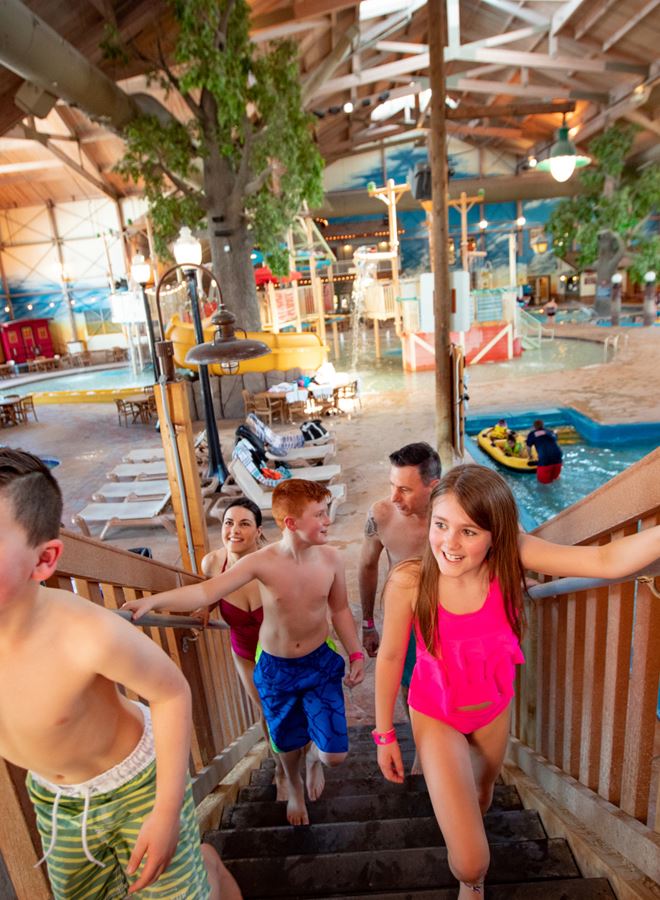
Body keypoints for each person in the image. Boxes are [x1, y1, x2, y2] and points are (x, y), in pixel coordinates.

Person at [374, 463, 660, 898]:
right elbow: (392, 655)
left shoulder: (511, 558)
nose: (449, 544)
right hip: (436, 713)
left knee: (483, 796)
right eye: (441, 525)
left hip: (493, 708)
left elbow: (605, 560)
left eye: (469, 532)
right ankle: (472, 882)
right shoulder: (410, 581)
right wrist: (384, 733)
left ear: (495, 534)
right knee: (472, 859)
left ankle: (473, 867)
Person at [0, 448, 236, 899]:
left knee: (178, 892)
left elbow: (170, 693)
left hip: (138, 785)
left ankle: (209, 867)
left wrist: (168, 810)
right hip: (55, 800)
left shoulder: (89, 635)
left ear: (44, 560)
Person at [124, 479, 365, 827]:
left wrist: (355, 653)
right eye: (320, 514)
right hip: (276, 669)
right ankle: (294, 786)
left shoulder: (331, 559)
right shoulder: (262, 563)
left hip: (318, 662)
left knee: (334, 755)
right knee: (284, 741)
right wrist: (153, 601)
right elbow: (206, 591)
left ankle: (315, 759)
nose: (328, 520)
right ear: (291, 524)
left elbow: (340, 609)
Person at [201, 499, 286, 799]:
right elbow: (209, 596)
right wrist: (202, 611)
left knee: (290, 708)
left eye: (244, 523)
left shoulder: (275, 561)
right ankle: (282, 768)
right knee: (265, 711)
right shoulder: (212, 563)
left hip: (281, 650)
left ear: (258, 531)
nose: (234, 531)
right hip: (245, 651)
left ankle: (303, 758)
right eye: (228, 522)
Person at [359, 442, 441, 700]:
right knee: (410, 687)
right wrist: (368, 623)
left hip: (448, 614)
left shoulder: (456, 511)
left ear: (434, 486)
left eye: (404, 489)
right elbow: (367, 565)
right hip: (404, 617)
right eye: (392, 486)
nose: (394, 497)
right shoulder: (382, 515)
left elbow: (507, 534)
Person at [526, 419, 562, 483]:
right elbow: (555, 438)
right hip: (558, 458)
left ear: (534, 426)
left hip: (545, 461)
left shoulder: (532, 434)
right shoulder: (550, 431)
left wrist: (530, 456)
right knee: (556, 479)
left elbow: (528, 447)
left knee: (543, 485)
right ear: (543, 425)